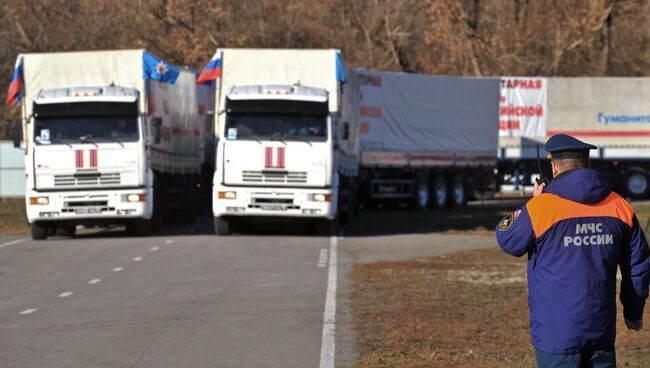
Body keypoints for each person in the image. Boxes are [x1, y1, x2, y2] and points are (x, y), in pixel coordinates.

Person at [495, 134, 650, 368]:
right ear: (587, 165)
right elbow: (638, 264)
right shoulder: (620, 206)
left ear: (554, 167)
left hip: (556, 334)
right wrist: (634, 310)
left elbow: (507, 239)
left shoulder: (542, 207)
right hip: (601, 330)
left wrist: (534, 202)